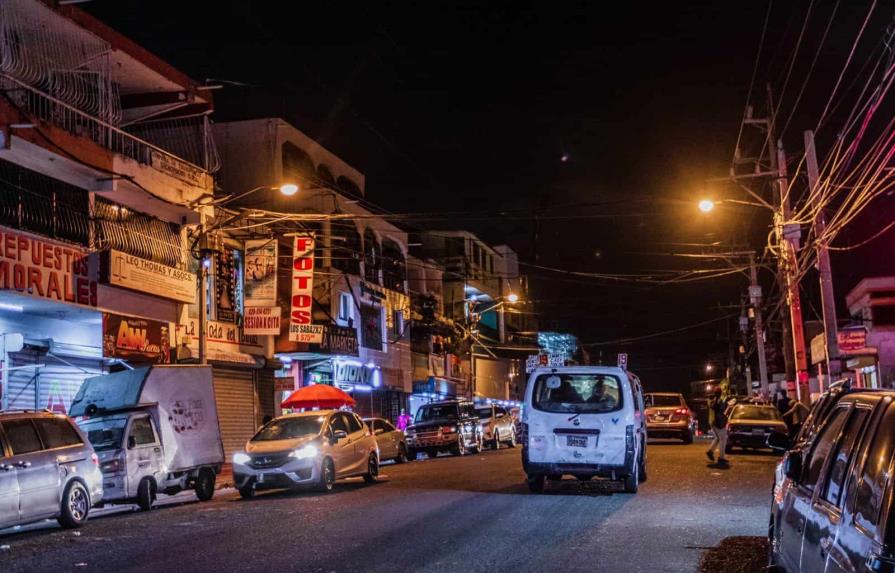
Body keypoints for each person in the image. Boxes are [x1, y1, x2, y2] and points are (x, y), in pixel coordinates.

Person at [706, 387, 730, 466]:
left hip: (713, 421)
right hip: (717, 422)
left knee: (718, 438)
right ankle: (721, 458)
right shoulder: (716, 400)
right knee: (723, 439)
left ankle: (710, 451)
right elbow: (717, 408)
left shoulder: (713, 399)